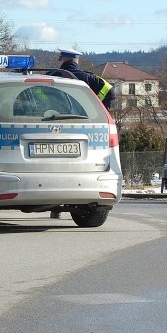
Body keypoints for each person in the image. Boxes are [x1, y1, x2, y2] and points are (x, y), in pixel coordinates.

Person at [51, 49, 115, 220]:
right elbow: (109, 90)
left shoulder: (53, 76)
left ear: (62, 59)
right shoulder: (90, 78)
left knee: (54, 166)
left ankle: (54, 205)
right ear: (77, 61)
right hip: (83, 127)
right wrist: (99, 109)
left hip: (52, 125)